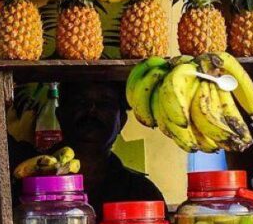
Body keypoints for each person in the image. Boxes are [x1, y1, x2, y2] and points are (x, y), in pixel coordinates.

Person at [11, 80, 164, 214]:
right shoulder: (26, 181)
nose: (91, 110)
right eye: (80, 102)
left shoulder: (142, 193)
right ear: (60, 115)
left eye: (104, 104)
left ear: (122, 121)